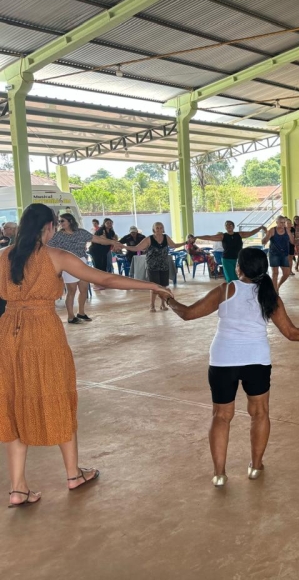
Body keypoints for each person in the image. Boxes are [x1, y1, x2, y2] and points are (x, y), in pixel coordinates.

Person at [0, 203, 171, 507]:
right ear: (49, 228)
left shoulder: (4, 257)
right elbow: (104, 279)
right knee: (58, 396)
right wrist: (150, 285)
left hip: (9, 334)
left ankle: (18, 488)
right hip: (43, 334)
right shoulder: (56, 256)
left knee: (13, 403)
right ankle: (72, 474)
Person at [166, 248, 299, 486]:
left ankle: (219, 474)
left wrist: (168, 299)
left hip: (223, 360)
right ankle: (256, 467)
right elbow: (291, 333)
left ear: (239, 268)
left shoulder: (226, 290)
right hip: (256, 360)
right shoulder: (270, 296)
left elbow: (187, 314)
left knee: (221, 416)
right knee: (260, 414)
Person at [48, 213, 120, 324]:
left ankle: (81, 312)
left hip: (82, 262)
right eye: (60, 221)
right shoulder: (58, 235)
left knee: (84, 289)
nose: (60, 223)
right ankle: (71, 316)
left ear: (70, 221)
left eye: (62, 221)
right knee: (71, 291)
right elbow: (47, 247)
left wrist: (112, 241)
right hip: (68, 263)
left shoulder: (81, 233)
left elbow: (98, 239)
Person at [122, 222, 185, 312]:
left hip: (164, 265)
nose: (159, 229)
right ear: (154, 229)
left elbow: (174, 245)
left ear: (163, 229)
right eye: (157, 228)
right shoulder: (149, 239)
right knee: (154, 286)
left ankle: (163, 304)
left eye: (161, 228)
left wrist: (185, 242)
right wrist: (123, 246)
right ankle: (152, 305)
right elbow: (137, 248)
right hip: (152, 265)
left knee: (163, 286)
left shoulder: (166, 237)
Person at [195, 221, 265, 283]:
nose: (228, 226)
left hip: (239, 259)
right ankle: (232, 292)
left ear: (233, 226)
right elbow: (209, 237)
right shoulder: (222, 236)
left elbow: (251, 233)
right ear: (225, 227)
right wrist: (197, 237)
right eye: (227, 225)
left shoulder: (239, 234)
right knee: (231, 278)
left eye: (230, 225)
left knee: (241, 277)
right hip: (227, 259)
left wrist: (260, 228)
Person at [261, 216, 294, 293]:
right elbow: (263, 242)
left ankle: (278, 286)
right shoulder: (272, 230)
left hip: (284, 254)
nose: (283, 224)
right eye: (281, 223)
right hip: (274, 254)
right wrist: (267, 235)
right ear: (277, 222)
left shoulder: (287, 230)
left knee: (287, 273)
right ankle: (275, 292)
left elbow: (292, 242)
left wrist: (290, 235)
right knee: (275, 273)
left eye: (284, 223)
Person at [88, 218, 117, 286]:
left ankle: (103, 281)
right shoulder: (101, 230)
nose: (109, 224)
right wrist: (112, 242)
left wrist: (115, 243)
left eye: (110, 223)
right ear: (104, 223)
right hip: (96, 250)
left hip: (104, 251)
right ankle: (97, 282)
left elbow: (114, 239)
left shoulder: (111, 231)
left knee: (104, 265)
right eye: (108, 223)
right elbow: (103, 241)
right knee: (98, 266)